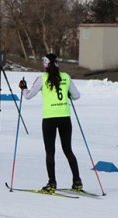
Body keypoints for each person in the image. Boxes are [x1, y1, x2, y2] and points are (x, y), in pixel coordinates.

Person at [19, 53, 82, 193]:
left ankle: (52, 184)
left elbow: (28, 96)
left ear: (46, 64)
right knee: (68, 150)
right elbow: (76, 96)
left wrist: (23, 88)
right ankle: (77, 182)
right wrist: (67, 94)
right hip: (65, 117)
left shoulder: (42, 78)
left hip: (49, 119)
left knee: (50, 152)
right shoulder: (66, 76)